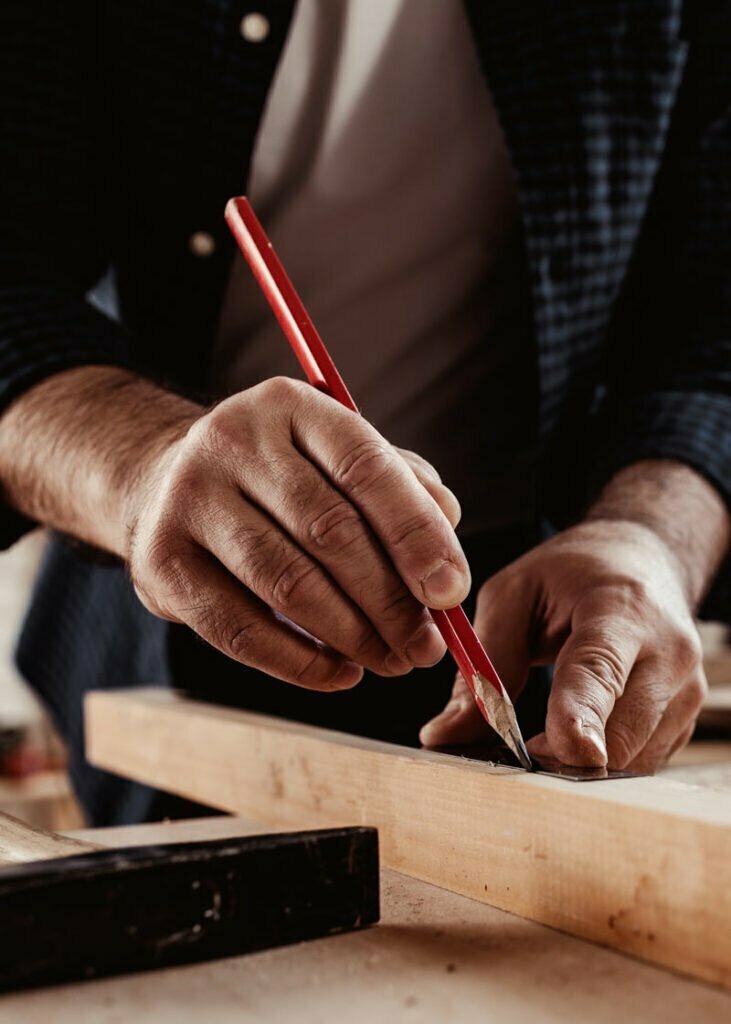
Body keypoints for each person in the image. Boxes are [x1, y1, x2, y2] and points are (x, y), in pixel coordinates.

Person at [0, 1, 728, 826]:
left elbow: (712, 318)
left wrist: (653, 536)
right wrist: (142, 461)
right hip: (168, 621)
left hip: (541, 619)